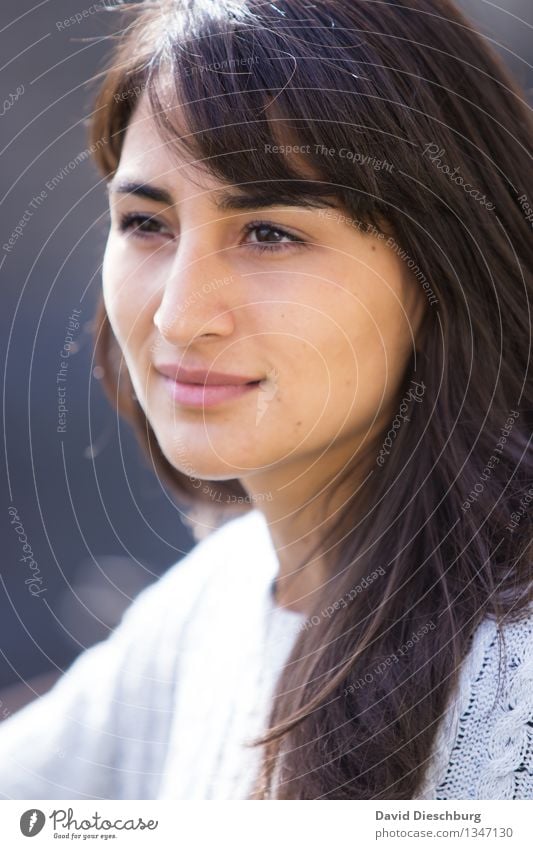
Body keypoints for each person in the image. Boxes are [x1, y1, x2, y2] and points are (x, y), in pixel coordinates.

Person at [0, 0, 531, 800]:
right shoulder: (210, 604)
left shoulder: (510, 688)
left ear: (440, 266)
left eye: (270, 233)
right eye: (146, 222)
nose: (179, 314)